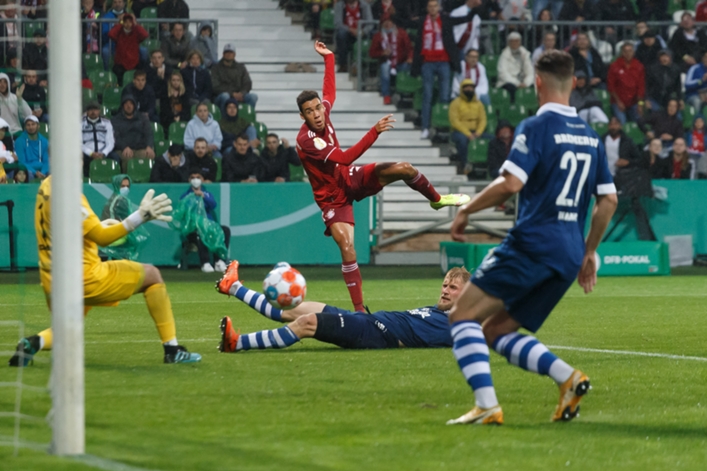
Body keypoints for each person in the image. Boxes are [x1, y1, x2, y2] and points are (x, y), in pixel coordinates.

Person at [446, 50, 618, 426]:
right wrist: (589, 252)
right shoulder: (591, 137)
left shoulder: (535, 127)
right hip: (569, 254)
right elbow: (608, 200)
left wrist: (466, 209)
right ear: (573, 83)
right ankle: (569, 379)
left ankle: (487, 406)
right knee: (498, 329)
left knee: (462, 316)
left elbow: (510, 183)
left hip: (532, 244)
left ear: (537, 82)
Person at [297, 41, 469, 311]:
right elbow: (344, 157)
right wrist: (374, 131)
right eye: (310, 111)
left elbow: (329, 90)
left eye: (318, 108)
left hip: (349, 177)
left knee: (404, 168)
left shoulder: (324, 111)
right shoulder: (306, 140)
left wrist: (329, 57)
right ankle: (360, 310)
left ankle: (436, 199)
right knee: (348, 248)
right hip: (332, 198)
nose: (318, 114)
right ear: (303, 115)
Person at [9, 178, 201, 366]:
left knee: (67, 330)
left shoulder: (46, 186)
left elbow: (73, 229)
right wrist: (140, 217)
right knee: (152, 275)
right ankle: (172, 351)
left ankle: (33, 343)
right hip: (84, 277)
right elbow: (102, 237)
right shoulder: (67, 194)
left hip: (52, 279)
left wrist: (101, 227)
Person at [215, 261, 469, 353]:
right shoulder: (437, 312)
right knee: (293, 310)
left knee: (305, 324)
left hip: (374, 334)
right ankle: (233, 286)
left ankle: (237, 343)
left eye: (453, 288)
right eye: (445, 285)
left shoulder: (459, 324)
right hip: (365, 319)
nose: (445, 290)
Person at [411, 0, 475, 139]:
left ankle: (443, 127)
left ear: (439, 8)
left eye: (435, 6)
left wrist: (475, 9)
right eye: (431, 6)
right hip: (427, 62)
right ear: (427, 8)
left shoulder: (445, 19)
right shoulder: (422, 21)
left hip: (444, 62)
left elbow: (464, 19)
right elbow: (406, 23)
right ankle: (425, 127)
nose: (433, 8)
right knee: (427, 96)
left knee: (445, 96)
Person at [179, 170, 231, 273]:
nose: (195, 180)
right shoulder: (185, 196)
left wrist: (203, 196)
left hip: (209, 225)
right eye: (193, 177)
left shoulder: (207, 194)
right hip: (193, 228)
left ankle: (219, 260)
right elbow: (182, 210)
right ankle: (205, 262)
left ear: (202, 179)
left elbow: (213, 205)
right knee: (200, 231)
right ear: (189, 180)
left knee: (225, 230)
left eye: (198, 177)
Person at [368, 14, 413, 105]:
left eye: (389, 22)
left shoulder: (401, 33)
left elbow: (409, 48)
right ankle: (386, 95)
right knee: (385, 68)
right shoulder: (378, 36)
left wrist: (409, 58)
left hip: (401, 61)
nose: (387, 24)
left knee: (406, 67)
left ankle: (402, 94)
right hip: (386, 61)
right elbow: (372, 53)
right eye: (385, 22)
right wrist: (382, 53)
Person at [111, 95, 155, 171]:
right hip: (123, 149)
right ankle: (127, 180)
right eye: (126, 104)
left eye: (131, 103)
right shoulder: (115, 120)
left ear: (134, 105)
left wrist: (149, 146)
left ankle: (146, 181)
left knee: (148, 155)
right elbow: (115, 137)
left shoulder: (143, 117)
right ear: (122, 106)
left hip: (141, 148)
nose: (129, 106)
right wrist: (124, 147)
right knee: (127, 157)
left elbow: (149, 133)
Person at [450, 79, 487, 165]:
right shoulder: (455, 103)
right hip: (460, 132)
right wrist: (468, 134)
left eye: (471, 88)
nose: (469, 90)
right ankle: (465, 163)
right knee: (462, 140)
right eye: (467, 88)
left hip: (476, 131)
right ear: (462, 89)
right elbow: (455, 121)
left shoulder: (479, 103)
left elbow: (483, 119)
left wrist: (478, 132)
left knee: (492, 139)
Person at [607, 42, 645, 124]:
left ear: (633, 52)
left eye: (630, 51)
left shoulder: (639, 66)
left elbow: (641, 87)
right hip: (618, 102)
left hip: (634, 102)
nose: (628, 53)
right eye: (625, 51)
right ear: (622, 53)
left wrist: (640, 104)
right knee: (621, 122)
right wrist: (618, 102)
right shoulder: (615, 66)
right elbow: (611, 86)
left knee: (641, 122)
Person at [211, 44, 258, 111]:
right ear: (223, 54)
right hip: (222, 95)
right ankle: (224, 119)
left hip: (240, 94)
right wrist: (232, 94)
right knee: (225, 96)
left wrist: (242, 93)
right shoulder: (216, 68)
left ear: (234, 54)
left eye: (231, 53)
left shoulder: (241, 67)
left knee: (253, 97)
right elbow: (215, 86)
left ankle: (248, 118)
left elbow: (247, 83)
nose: (229, 54)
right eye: (227, 52)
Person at [108, 13, 149, 86]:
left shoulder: (136, 32)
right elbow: (111, 34)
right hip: (121, 63)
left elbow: (145, 34)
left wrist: (136, 24)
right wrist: (120, 23)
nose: (128, 24)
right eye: (125, 22)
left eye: (130, 22)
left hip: (134, 63)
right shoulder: (119, 32)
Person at [334, 0, 373, 73]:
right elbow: (338, 23)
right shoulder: (340, 6)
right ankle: (343, 64)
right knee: (341, 35)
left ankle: (369, 65)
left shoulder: (364, 6)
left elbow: (370, 23)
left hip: (362, 32)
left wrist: (362, 31)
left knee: (373, 34)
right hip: (347, 32)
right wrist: (350, 29)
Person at [496, 32, 533, 104]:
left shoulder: (525, 53)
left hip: (523, 81)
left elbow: (530, 72)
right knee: (511, 88)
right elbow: (503, 73)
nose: (515, 43)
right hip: (509, 81)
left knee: (533, 87)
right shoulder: (504, 54)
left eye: (517, 41)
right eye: (512, 41)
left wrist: (526, 83)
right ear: (509, 43)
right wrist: (517, 83)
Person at [82, 101, 116, 177]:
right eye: (90, 110)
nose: (93, 112)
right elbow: (78, 143)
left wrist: (103, 153)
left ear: (99, 111)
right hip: (87, 152)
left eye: (95, 109)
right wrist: (91, 153)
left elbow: (110, 142)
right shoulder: (81, 123)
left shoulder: (107, 123)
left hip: (103, 151)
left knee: (116, 158)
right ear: (87, 112)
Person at [15, 115, 49, 181]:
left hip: (42, 169)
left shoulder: (45, 141)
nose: (31, 127)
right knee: (26, 174)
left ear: (38, 126)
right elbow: (22, 162)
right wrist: (35, 172)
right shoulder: (19, 141)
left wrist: (43, 172)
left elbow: (46, 161)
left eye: (33, 124)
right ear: (25, 127)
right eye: (28, 125)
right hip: (28, 169)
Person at [159, 71, 191, 136]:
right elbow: (164, 109)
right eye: (173, 80)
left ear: (181, 81)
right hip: (168, 119)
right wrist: (173, 117)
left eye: (178, 80)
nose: (176, 82)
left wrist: (180, 117)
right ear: (170, 81)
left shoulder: (184, 94)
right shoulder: (165, 93)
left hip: (182, 118)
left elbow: (186, 109)